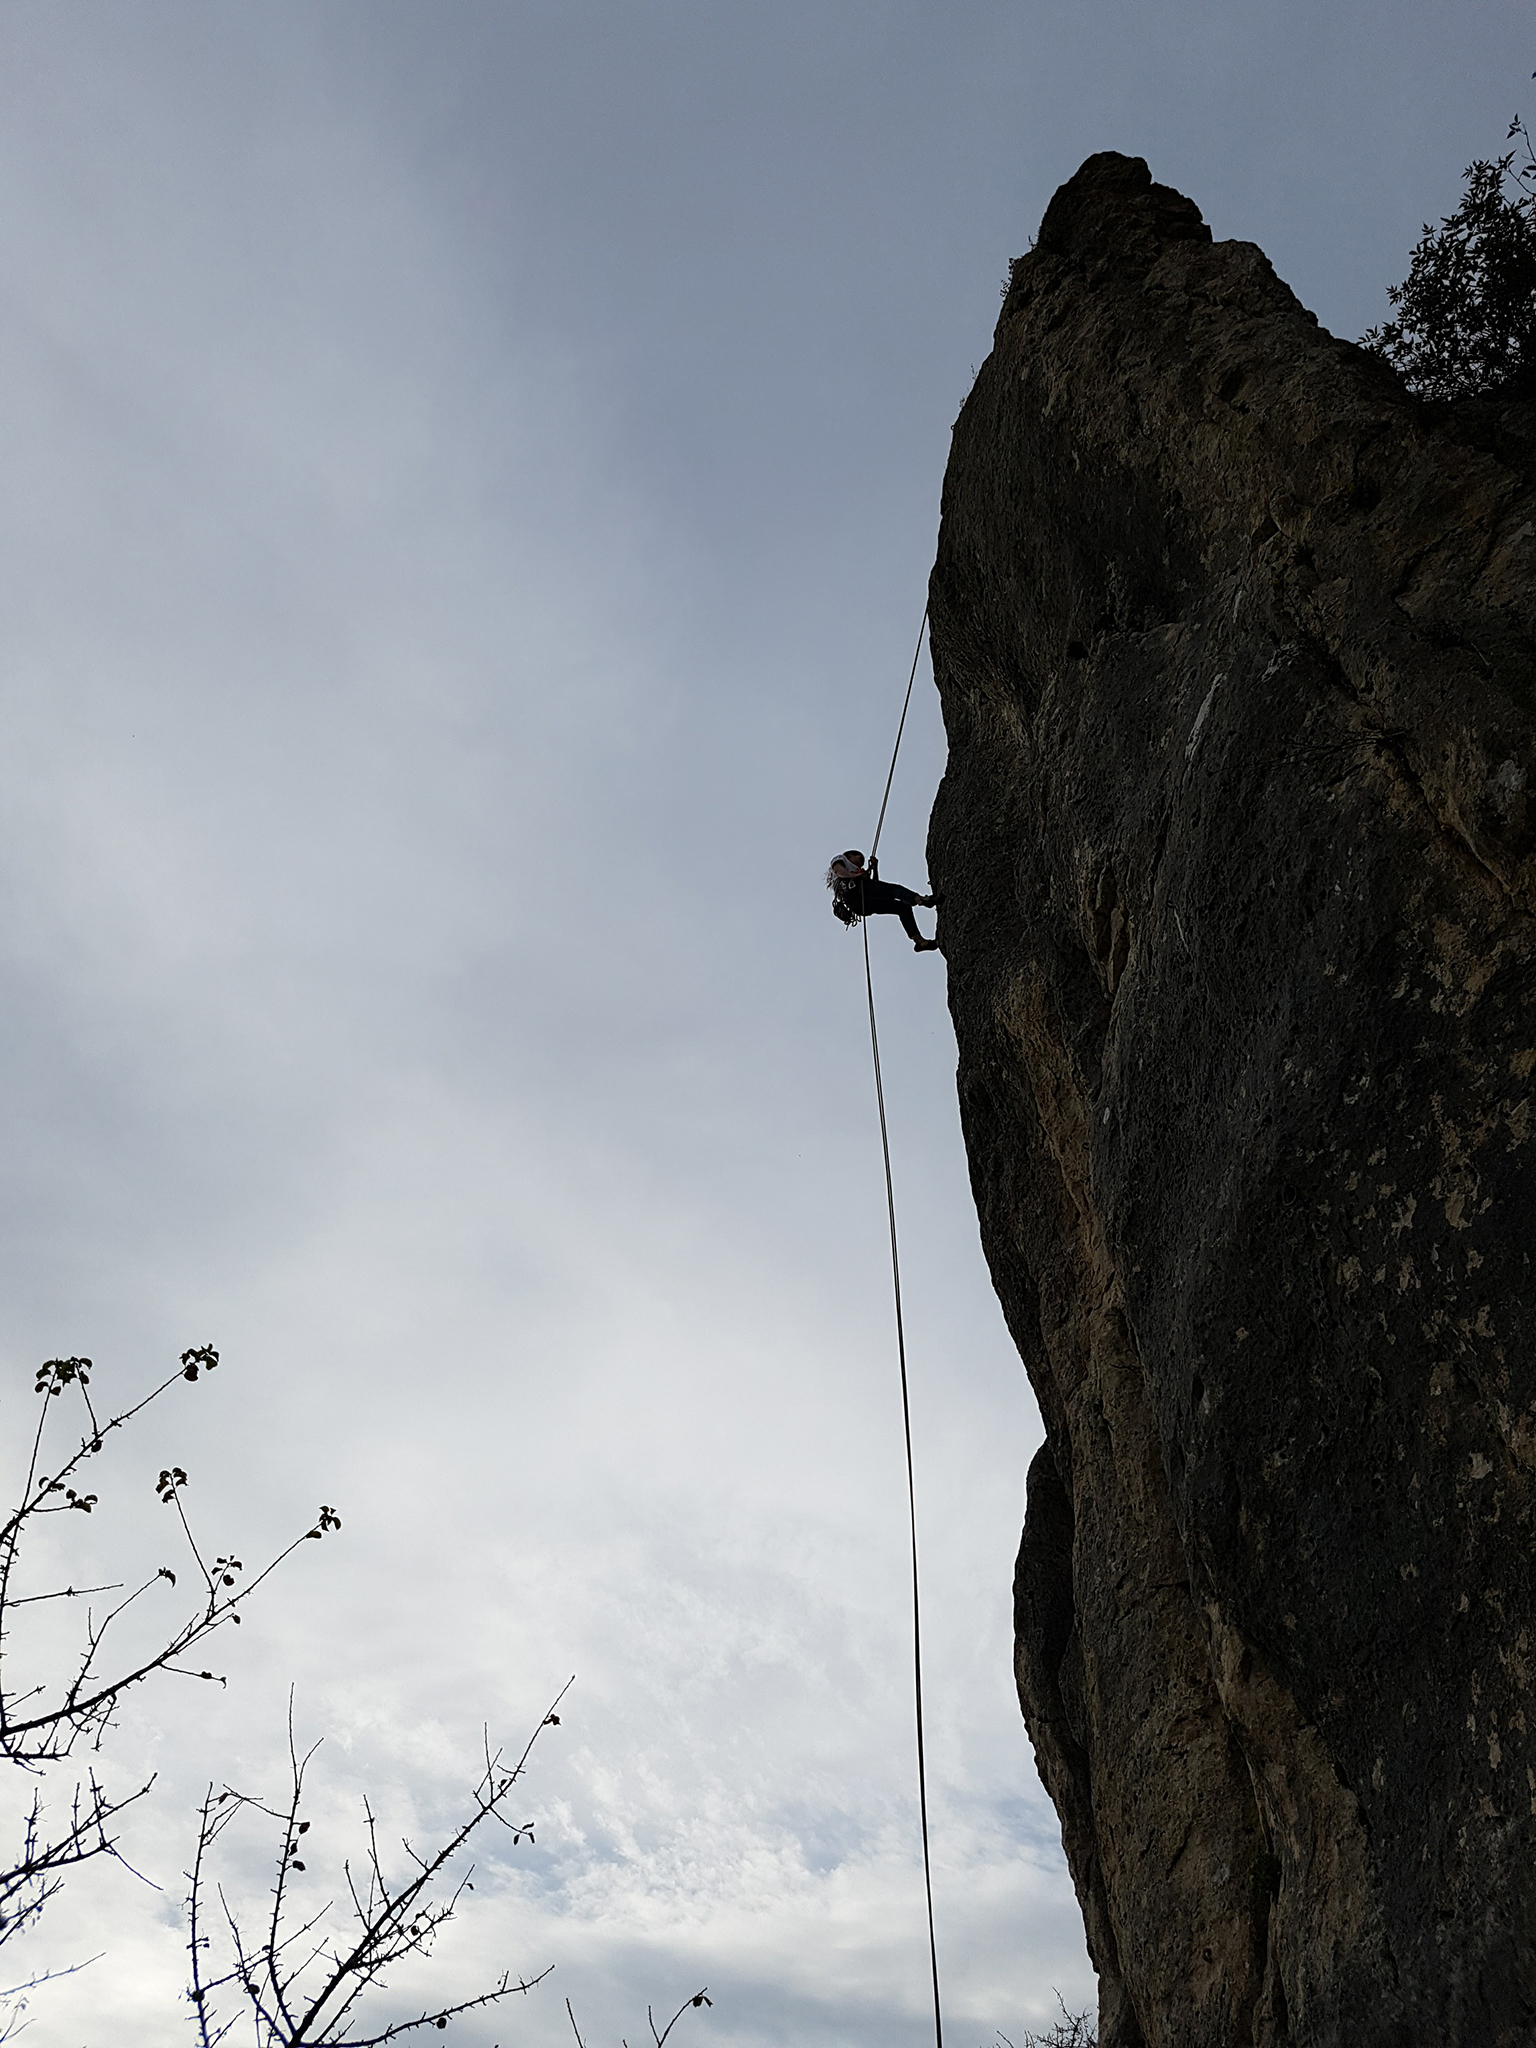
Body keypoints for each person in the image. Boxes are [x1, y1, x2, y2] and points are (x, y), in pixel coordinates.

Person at [826, 849, 939, 951]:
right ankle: (920, 899)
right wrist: (856, 876)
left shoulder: (856, 873)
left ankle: (920, 942)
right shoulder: (841, 859)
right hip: (855, 893)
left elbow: (876, 886)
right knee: (894, 890)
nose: (861, 865)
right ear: (850, 855)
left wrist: (874, 868)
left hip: (861, 902)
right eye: (860, 859)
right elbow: (839, 871)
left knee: (902, 907)